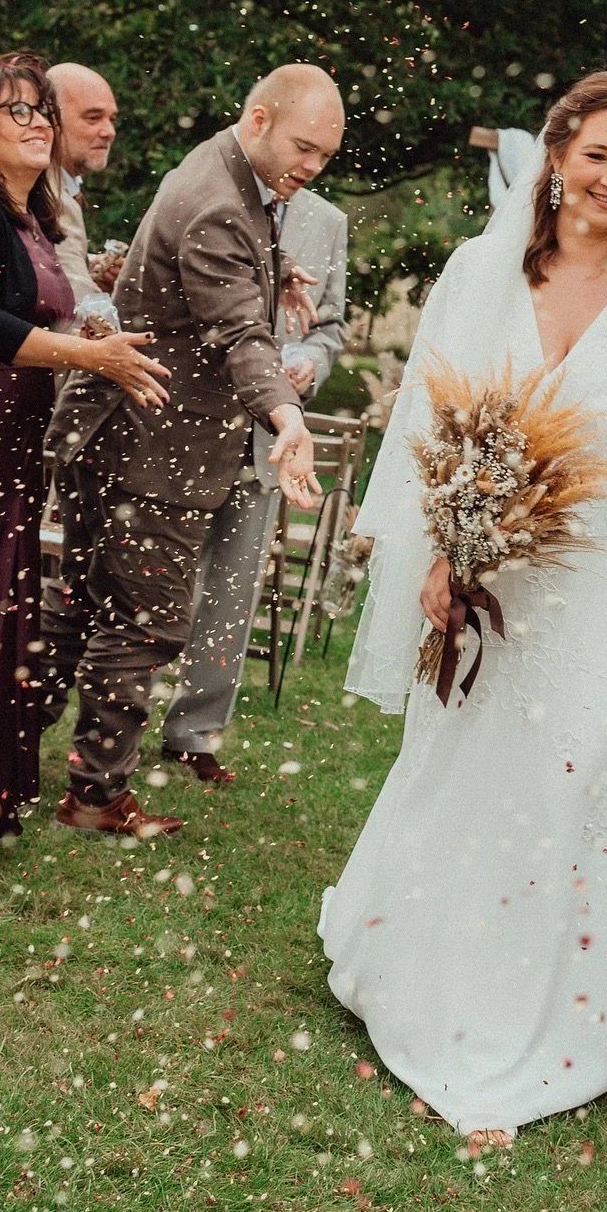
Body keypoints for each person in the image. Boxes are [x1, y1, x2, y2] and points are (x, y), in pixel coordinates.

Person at [321, 71, 607, 1152]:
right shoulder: (481, 273)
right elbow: (428, 425)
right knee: (475, 769)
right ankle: (441, 978)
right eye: (597, 155)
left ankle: (566, 1011)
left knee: (580, 781)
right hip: (493, 585)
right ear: (556, 157)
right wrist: (443, 553)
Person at [39, 65, 333, 838]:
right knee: (144, 623)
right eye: (304, 147)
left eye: (326, 156)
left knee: (82, 605)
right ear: (260, 120)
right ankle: (95, 797)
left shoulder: (224, 168)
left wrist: (277, 273)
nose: (312, 166)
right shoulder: (219, 200)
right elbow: (240, 335)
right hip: (152, 445)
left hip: (120, 431)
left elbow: (218, 275)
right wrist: (287, 416)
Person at [0, 53, 168, 840]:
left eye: (42, 108)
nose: (38, 120)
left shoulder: (33, 218)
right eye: (17, 109)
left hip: (10, 446)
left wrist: (97, 336)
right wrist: (89, 357)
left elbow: (43, 315)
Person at [159, 180, 348, 780]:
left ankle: (193, 733)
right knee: (157, 581)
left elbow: (331, 326)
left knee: (232, 593)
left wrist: (311, 361)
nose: (307, 164)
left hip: (269, 441)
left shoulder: (328, 221)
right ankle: (118, 724)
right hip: (193, 423)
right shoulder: (211, 192)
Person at [45, 62, 119, 305]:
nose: (109, 132)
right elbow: (77, 306)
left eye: (112, 119)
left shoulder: (60, 183)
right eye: (93, 118)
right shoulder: (49, 195)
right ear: (50, 120)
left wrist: (90, 268)